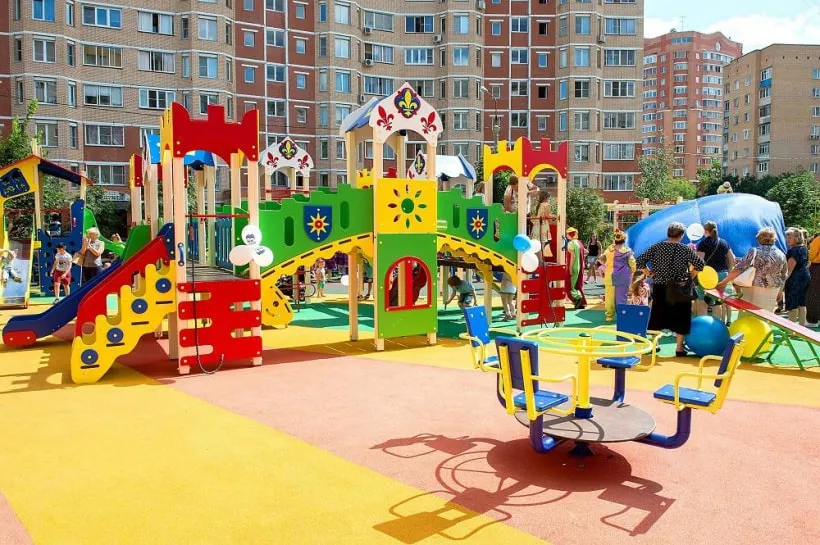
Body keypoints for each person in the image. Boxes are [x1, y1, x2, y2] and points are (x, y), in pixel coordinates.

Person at [635, 221, 705, 357]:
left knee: (657, 315)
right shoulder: (684, 249)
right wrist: (691, 275)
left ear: (668, 234)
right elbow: (700, 264)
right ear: (681, 235)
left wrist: (649, 273)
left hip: (661, 285)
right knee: (682, 316)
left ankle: (655, 344)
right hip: (681, 287)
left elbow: (640, 260)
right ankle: (679, 348)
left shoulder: (657, 247)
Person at [716, 227, 787, 311]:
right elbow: (784, 275)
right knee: (766, 314)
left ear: (759, 239)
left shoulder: (754, 251)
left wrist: (724, 282)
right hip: (773, 289)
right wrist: (780, 291)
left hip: (753, 287)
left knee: (748, 313)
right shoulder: (781, 254)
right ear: (774, 239)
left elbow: (738, 269)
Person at [695, 221, 735, 321]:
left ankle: (703, 324)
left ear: (705, 231)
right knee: (717, 301)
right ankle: (717, 325)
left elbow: (699, 263)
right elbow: (733, 260)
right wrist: (728, 273)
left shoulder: (703, 244)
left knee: (702, 300)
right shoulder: (724, 242)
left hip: (707, 276)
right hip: (722, 274)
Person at [601, 230, 635, 321]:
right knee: (622, 297)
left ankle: (609, 316)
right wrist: (633, 271)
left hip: (610, 277)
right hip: (623, 278)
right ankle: (622, 315)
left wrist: (606, 266)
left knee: (609, 298)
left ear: (614, 240)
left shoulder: (609, 250)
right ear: (624, 240)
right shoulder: (627, 251)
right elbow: (632, 263)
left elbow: (601, 259)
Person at [783, 228, 810, 326]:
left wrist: (782, 283)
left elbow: (789, 270)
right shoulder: (804, 248)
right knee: (802, 303)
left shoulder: (793, 251)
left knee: (792, 304)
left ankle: (791, 328)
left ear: (797, 238)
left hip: (795, 279)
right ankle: (802, 327)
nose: (787, 239)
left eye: (790, 237)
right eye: (787, 237)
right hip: (805, 275)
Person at [565, 227, 586, 309]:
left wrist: (570, 268)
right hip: (580, 266)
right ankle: (580, 303)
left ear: (570, 234)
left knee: (569, 286)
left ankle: (578, 298)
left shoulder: (571, 243)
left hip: (574, 266)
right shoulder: (579, 243)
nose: (566, 235)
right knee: (577, 285)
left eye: (567, 234)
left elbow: (572, 256)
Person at [529, 191, 553, 260]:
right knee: (541, 243)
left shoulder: (539, 204)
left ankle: (537, 259)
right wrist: (553, 218)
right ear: (546, 198)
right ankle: (540, 260)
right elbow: (547, 216)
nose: (549, 199)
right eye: (548, 197)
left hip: (537, 225)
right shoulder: (546, 205)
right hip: (543, 225)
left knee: (536, 243)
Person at [807, 232, 820, 327]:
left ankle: (812, 320)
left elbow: (812, 255)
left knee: (813, 293)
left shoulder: (818, 239)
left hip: (817, 267)